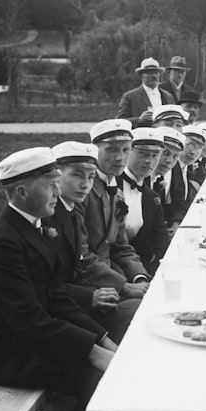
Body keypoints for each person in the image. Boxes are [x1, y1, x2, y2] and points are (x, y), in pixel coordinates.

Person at [0, 147, 115, 411]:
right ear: (21, 192)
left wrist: (104, 339)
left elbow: (56, 295)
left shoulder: (33, 226)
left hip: (35, 341)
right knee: (107, 384)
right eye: (50, 184)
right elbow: (28, 321)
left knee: (112, 376)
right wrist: (95, 353)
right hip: (11, 353)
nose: (57, 190)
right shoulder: (1, 243)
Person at [45, 141, 140, 343]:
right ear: (56, 176)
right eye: (77, 175)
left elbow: (120, 247)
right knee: (138, 313)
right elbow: (52, 281)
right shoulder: (50, 217)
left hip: (84, 293)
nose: (85, 184)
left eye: (90, 176)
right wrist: (90, 296)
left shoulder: (69, 210)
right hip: (64, 309)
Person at [80, 120, 152, 296]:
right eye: (111, 149)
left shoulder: (116, 193)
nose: (120, 158)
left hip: (113, 278)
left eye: (126, 150)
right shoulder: (82, 193)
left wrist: (140, 277)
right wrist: (123, 286)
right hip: (90, 287)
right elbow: (82, 256)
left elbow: (121, 247)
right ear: (94, 150)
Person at [118, 128, 172, 275]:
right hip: (113, 267)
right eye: (142, 154)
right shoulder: (112, 185)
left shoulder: (151, 196)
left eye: (155, 155)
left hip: (140, 266)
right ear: (128, 152)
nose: (149, 161)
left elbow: (161, 238)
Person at [151, 127, 192, 231]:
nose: (169, 160)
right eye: (165, 153)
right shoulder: (142, 178)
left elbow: (180, 201)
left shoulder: (174, 168)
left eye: (175, 156)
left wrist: (176, 223)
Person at [117, 58, 175, 127]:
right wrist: (138, 120)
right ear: (141, 76)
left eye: (156, 72)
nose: (153, 76)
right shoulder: (130, 97)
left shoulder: (168, 96)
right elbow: (119, 122)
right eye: (149, 73)